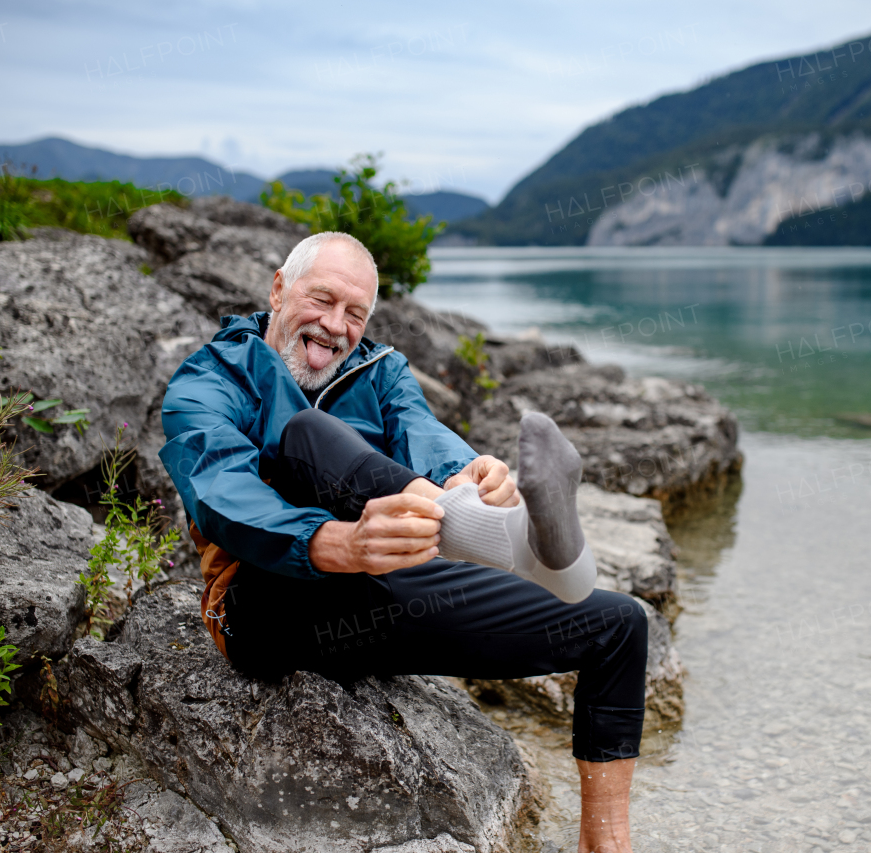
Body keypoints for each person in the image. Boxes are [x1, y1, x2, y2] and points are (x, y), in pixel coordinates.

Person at [159, 231, 646, 853]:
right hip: (265, 604)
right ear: (279, 288)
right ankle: (490, 534)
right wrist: (337, 542)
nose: (335, 326)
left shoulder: (380, 371)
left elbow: (422, 431)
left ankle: (606, 845)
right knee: (310, 432)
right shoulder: (211, 379)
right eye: (322, 300)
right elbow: (220, 492)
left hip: (375, 589)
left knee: (619, 625)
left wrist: (471, 475)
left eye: (354, 313)